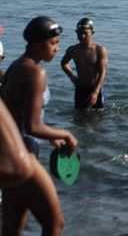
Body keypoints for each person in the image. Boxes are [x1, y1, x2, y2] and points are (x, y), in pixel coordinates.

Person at [1, 16, 78, 236]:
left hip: (10, 152)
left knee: (12, 229)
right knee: (55, 225)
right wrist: (66, 134)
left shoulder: (16, 66)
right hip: (25, 156)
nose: (57, 48)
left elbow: (15, 113)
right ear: (37, 43)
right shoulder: (36, 73)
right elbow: (33, 126)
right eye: (53, 43)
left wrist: (51, 135)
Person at [60, 18, 108, 109]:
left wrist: (96, 92)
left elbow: (103, 72)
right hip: (80, 88)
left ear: (92, 33)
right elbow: (64, 63)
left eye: (86, 33)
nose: (82, 36)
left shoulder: (100, 50)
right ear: (76, 32)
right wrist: (73, 78)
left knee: (98, 117)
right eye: (79, 33)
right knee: (78, 117)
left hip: (96, 88)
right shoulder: (73, 50)